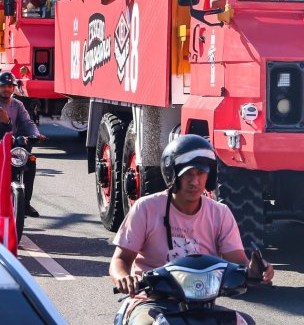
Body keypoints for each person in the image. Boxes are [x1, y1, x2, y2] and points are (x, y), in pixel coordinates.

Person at [110, 135, 273, 325]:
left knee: (243, 322)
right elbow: (120, 259)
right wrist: (123, 278)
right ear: (172, 174)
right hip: (150, 302)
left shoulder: (220, 213)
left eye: (201, 173)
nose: (194, 181)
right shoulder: (146, 208)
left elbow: (239, 263)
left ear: (209, 177)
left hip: (202, 306)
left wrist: (257, 271)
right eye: (188, 174)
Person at [0, 71, 43, 216]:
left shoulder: (18, 104)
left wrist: (35, 134)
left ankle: (25, 203)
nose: (7, 89)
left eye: (10, 86)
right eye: (3, 86)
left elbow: (27, 122)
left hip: (11, 142)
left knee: (30, 160)